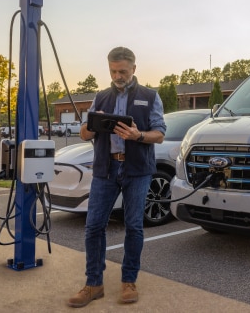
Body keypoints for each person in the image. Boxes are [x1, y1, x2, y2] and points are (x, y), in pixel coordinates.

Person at [68, 47, 166, 307]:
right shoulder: (100, 98)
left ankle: (129, 280)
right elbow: (83, 134)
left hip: (137, 171)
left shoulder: (150, 96)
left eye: (122, 71)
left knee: (133, 226)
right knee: (94, 226)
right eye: (113, 71)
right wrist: (92, 123)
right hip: (105, 170)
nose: (117, 76)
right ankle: (93, 283)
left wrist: (139, 136)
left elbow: (160, 134)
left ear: (134, 68)